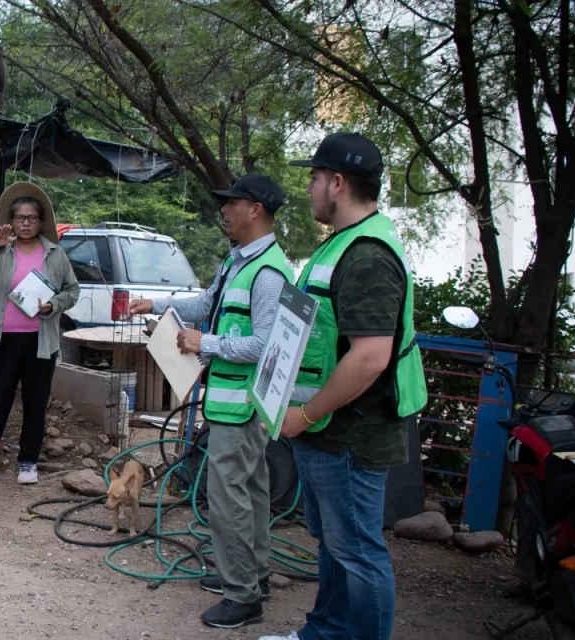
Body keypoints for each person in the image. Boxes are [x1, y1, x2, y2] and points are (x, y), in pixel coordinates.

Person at [258, 133, 428, 640]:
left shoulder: (368, 255)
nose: (308, 188)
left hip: (350, 435)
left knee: (357, 551)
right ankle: (324, 633)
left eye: (313, 178)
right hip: (328, 432)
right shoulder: (341, 243)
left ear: (337, 183)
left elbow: (371, 357)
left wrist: (306, 416)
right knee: (336, 544)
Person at [128, 174, 293, 629]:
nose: (223, 210)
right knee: (251, 493)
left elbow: (265, 344)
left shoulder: (269, 272)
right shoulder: (239, 263)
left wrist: (208, 343)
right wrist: (155, 304)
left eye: (231, 203)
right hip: (230, 404)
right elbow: (206, 303)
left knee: (229, 500)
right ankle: (251, 577)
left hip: (242, 407)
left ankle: (243, 597)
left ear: (256, 209)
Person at [0, 182, 79, 485]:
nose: (26, 223)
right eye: (20, 218)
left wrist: (53, 304)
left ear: (41, 222)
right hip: (2, 339)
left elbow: (72, 290)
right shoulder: (2, 248)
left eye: (31, 218)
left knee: (35, 401)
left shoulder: (54, 254)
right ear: (12, 221)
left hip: (41, 342)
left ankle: (28, 461)